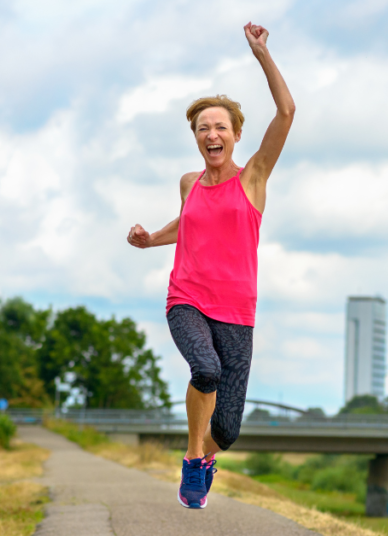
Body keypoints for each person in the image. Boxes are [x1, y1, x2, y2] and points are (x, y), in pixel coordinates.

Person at [126, 22, 295, 509]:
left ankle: (206, 453)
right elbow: (189, 224)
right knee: (206, 368)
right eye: (203, 128)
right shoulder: (189, 182)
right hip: (188, 299)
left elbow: (287, 112)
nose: (212, 133)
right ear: (197, 138)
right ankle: (193, 459)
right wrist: (149, 239)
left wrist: (261, 54)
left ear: (237, 135)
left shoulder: (253, 179)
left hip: (238, 311)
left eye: (220, 126)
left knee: (230, 428)